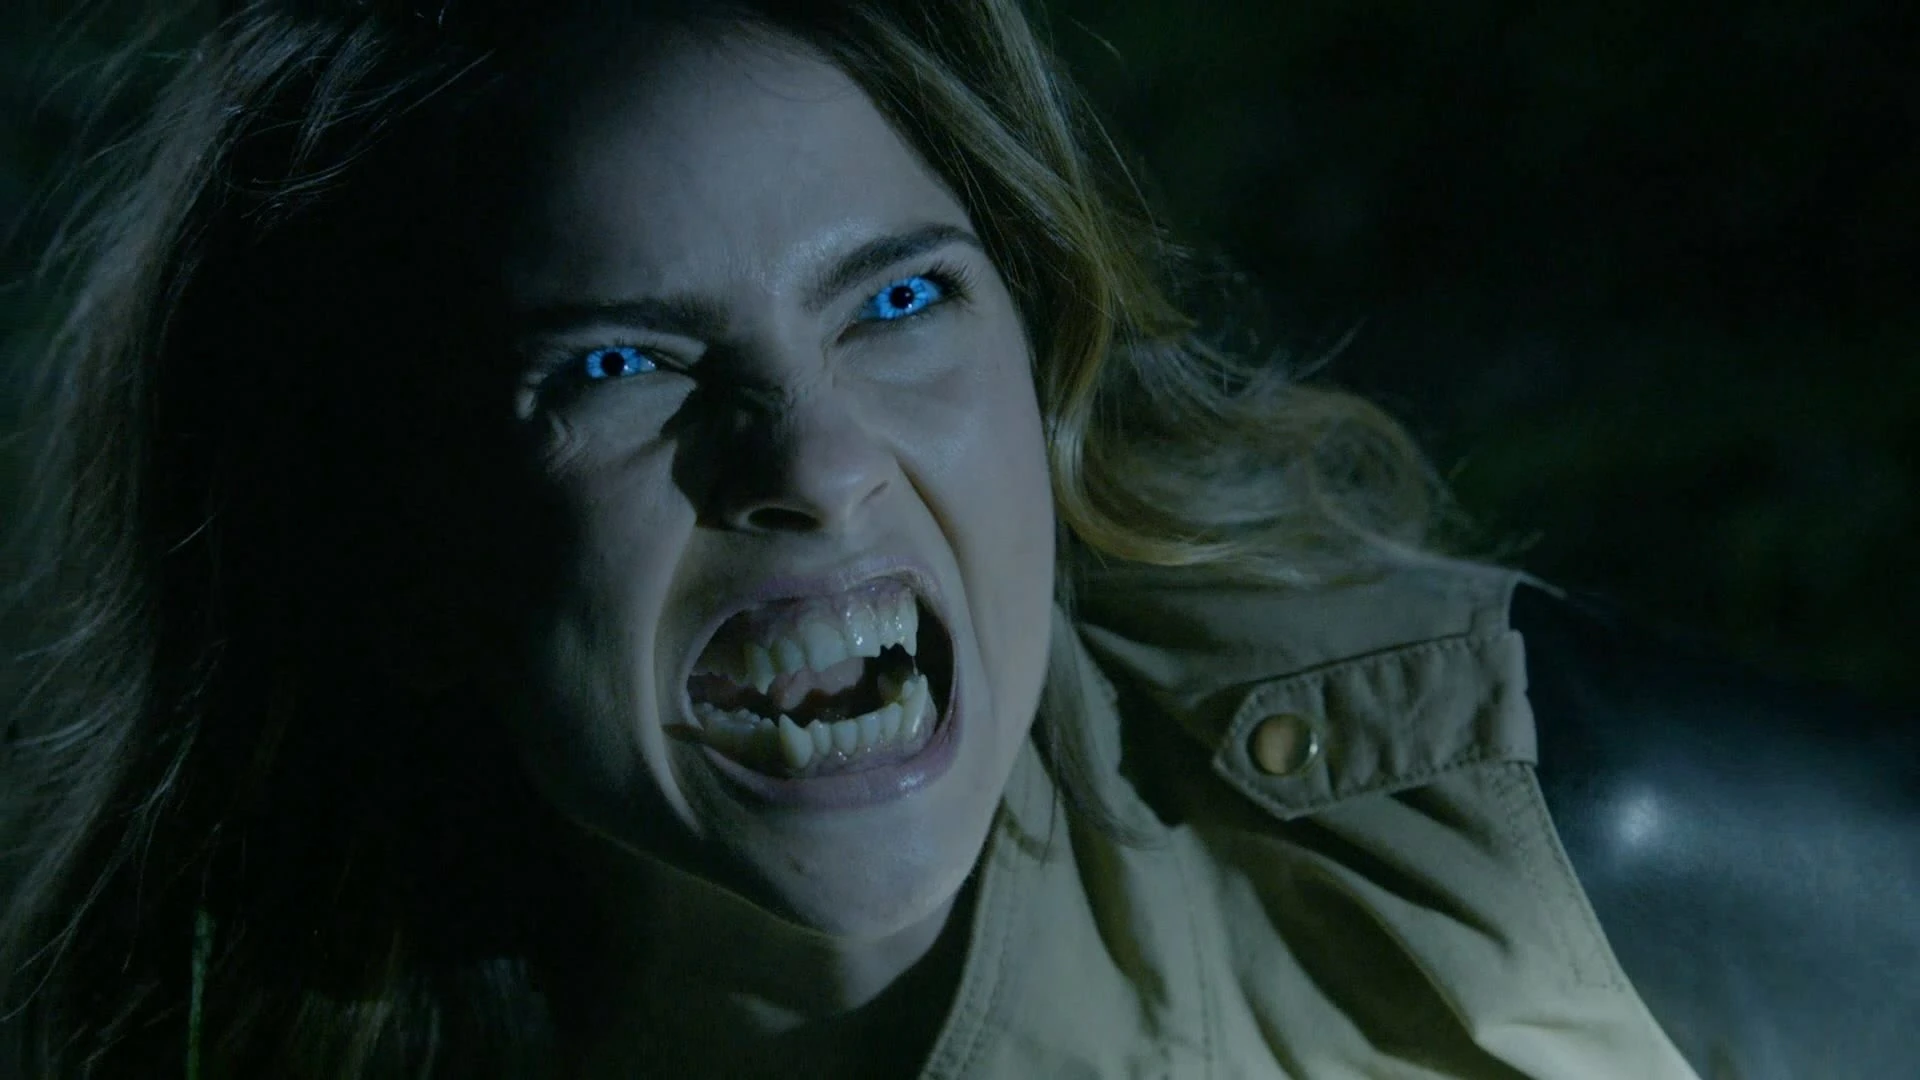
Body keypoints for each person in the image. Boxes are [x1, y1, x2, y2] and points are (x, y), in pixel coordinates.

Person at [3, 0, 1913, 1077]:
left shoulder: (1530, 840)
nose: (814, 461)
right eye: (615, 364)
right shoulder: (183, 1029)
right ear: (394, 550)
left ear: (1045, 369)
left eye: (900, 303)